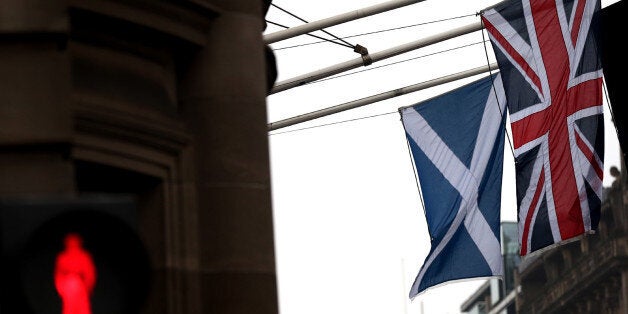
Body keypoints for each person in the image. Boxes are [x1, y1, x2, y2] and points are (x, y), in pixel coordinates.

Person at [54, 233, 97, 314]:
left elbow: (90, 273)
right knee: (68, 310)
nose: (72, 244)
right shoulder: (62, 257)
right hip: (68, 287)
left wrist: (88, 288)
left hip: (81, 286)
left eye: (75, 242)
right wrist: (60, 289)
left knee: (83, 310)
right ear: (66, 243)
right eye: (70, 242)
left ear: (79, 243)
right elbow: (58, 274)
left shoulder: (84, 256)